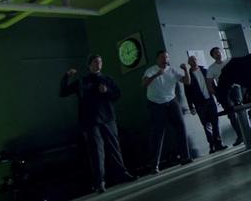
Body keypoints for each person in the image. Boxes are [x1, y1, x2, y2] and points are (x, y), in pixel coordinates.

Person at [60, 55, 135, 192]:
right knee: (96, 152)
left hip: (108, 119)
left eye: (100, 61)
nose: (98, 64)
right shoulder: (82, 81)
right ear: (89, 65)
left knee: (114, 148)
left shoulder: (107, 80)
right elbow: (63, 92)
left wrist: (107, 91)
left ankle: (122, 175)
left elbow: (117, 95)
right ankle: (99, 183)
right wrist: (66, 76)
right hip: (90, 122)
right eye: (95, 62)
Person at [142, 51, 192, 173]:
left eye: (167, 57)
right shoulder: (151, 70)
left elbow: (187, 82)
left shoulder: (172, 70)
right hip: (156, 103)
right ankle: (154, 165)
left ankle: (185, 157)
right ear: (157, 59)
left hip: (171, 100)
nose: (165, 59)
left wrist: (186, 70)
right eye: (162, 57)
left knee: (181, 127)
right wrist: (156, 75)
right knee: (158, 133)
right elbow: (144, 84)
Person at [184, 55, 227, 154]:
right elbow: (187, 93)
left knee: (215, 123)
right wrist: (191, 107)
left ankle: (218, 144)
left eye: (195, 60)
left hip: (210, 100)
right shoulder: (188, 76)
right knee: (206, 125)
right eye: (191, 61)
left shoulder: (205, 71)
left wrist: (218, 97)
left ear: (197, 60)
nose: (193, 62)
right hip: (199, 103)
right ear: (189, 63)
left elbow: (213, 84)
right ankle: (212, 145)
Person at [206, 47, 244, 147]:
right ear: (213, 56)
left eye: (219, 52)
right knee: (231, 114)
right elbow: (209, 84)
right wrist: (217, 94)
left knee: (240, 109)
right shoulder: (211, 68)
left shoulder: (229, 61)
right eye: (215, 53)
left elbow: (240, 73)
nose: (218, 54)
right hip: (223, 90)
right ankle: (240, 135)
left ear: (222, 52)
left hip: (234, 87)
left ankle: (247, 132)